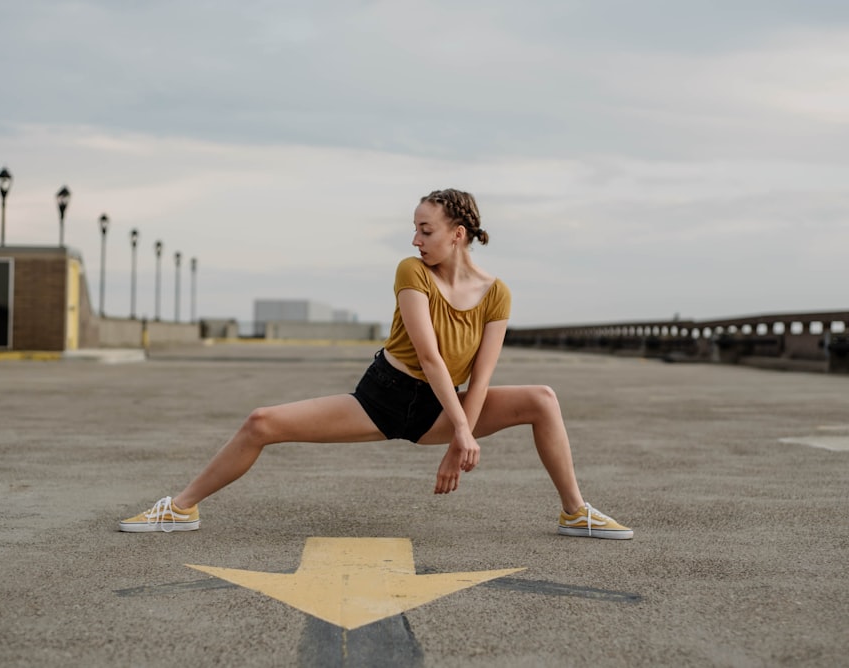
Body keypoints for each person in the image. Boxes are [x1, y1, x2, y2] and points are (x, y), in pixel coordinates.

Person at [120, 188, 632, 540]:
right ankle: (181, 507)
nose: (415, 240)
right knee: (261, 422)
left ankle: (575, 513)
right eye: (414, 229)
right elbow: (429, 355)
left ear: (457, 233)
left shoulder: (497, 294)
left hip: (443, 408)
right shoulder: (412, 271)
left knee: (541, 398)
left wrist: (460, 437)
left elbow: (482, 375)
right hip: (383, 398)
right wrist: (462, 431)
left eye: (425, 230)